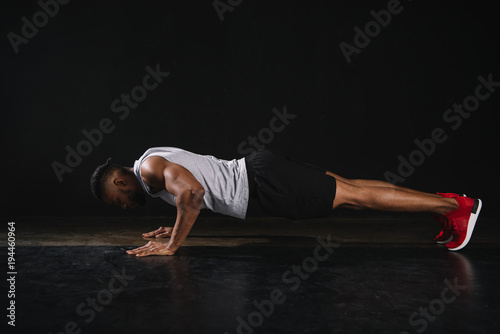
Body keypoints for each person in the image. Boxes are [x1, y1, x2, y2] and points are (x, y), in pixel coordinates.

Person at [89, 147, 482, 257]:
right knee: (353, 193)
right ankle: (444, 204)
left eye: (117, 199)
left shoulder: (151, 169)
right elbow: (195, 190)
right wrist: (175, 225)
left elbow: (193, 193)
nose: (123, 206)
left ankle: (456, 208)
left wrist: (173, 245)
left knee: (355, 197)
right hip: (264, 175)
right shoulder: (149, 164)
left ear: (121, 180)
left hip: (265, 184)